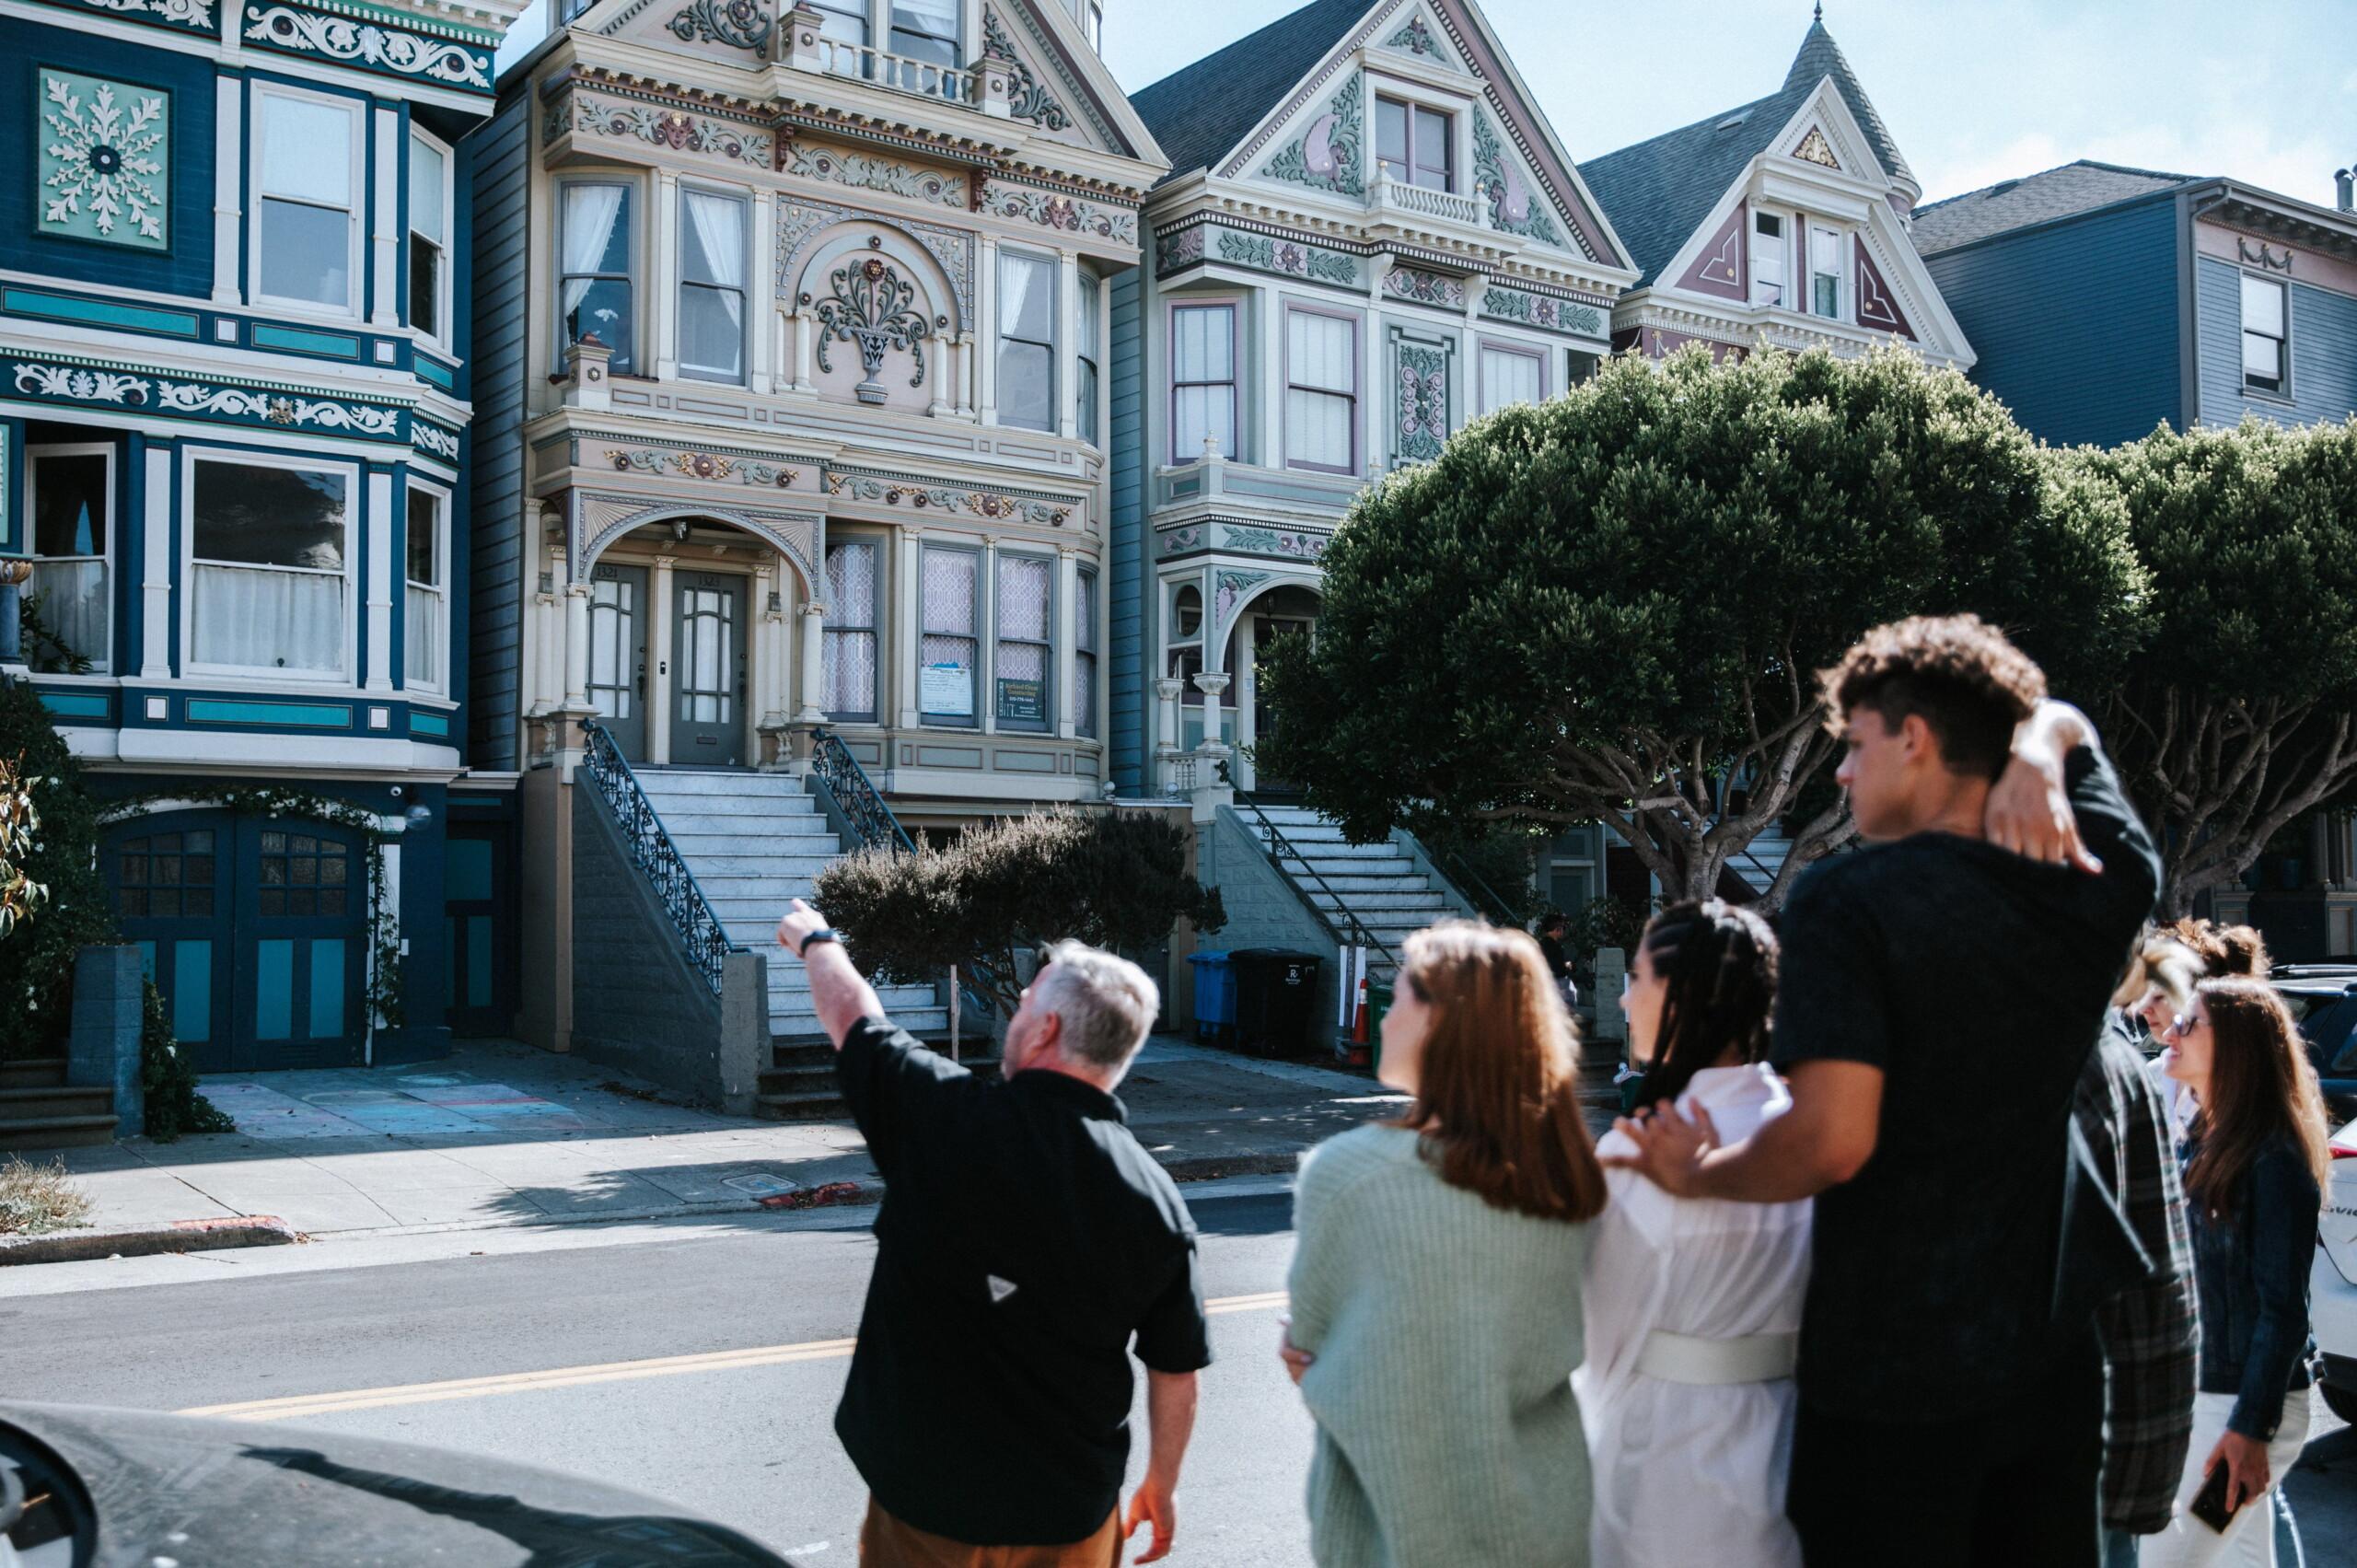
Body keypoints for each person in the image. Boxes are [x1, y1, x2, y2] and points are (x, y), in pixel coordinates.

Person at [1609, 614, 2162, 1567]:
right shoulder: (2098, 884)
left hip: (1887, 1381)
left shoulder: (1846, 900)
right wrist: (2042, 734)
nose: (1838, 773)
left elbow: (1831, 1140)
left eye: (1855, 743)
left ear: (1914, 738)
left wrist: (1697, 1171)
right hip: (2050, 1372)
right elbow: (2071, 730)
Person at [775, 901, 1209, 1568]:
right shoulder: (1157, 1202)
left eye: (1025, 1003)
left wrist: (817, 940)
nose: (1016, 1016)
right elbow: (1175, 1370)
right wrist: (1163, 1483)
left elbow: (852, 1015)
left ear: (1046, 1029)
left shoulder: (944, 1115)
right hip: (1071, 1521)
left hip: (927, 1511)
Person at [1278, 921, 1608, 1567]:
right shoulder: (1565, 1176)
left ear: (1440, 1022)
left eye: (1399, 994)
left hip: (1399, 1528)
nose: (1383, 1007)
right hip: (1550, 1516)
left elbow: (1308, 1348)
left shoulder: (1348, 1173)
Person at [1574, 900, 1808, 1568]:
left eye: (1638, 977)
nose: (1623, 998)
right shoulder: (1805, 1131)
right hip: (1796, 1433)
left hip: (1669, 1442)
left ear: (1680, 993)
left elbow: (1602, 1330)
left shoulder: (1641, 1149)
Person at [2141, 978, 2330, 1567]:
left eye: (2189, 1024)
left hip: (2245, 1411)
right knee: (2241, 1560)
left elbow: (2282, 1311)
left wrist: (2250, 1431)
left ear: (2238, 1048)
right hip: (2206, 1400)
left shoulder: (2271, 1159)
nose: (2169, 1031)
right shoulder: (2203, 1141)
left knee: (2163, 1562)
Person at [2084, 939, 2201, 1568]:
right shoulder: (2140, 1075)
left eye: (2171, 1006)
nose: (2159, 1018)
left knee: (2224, 1528)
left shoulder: (2105, 1072)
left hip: (2215, 1375)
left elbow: (2160, 1284)